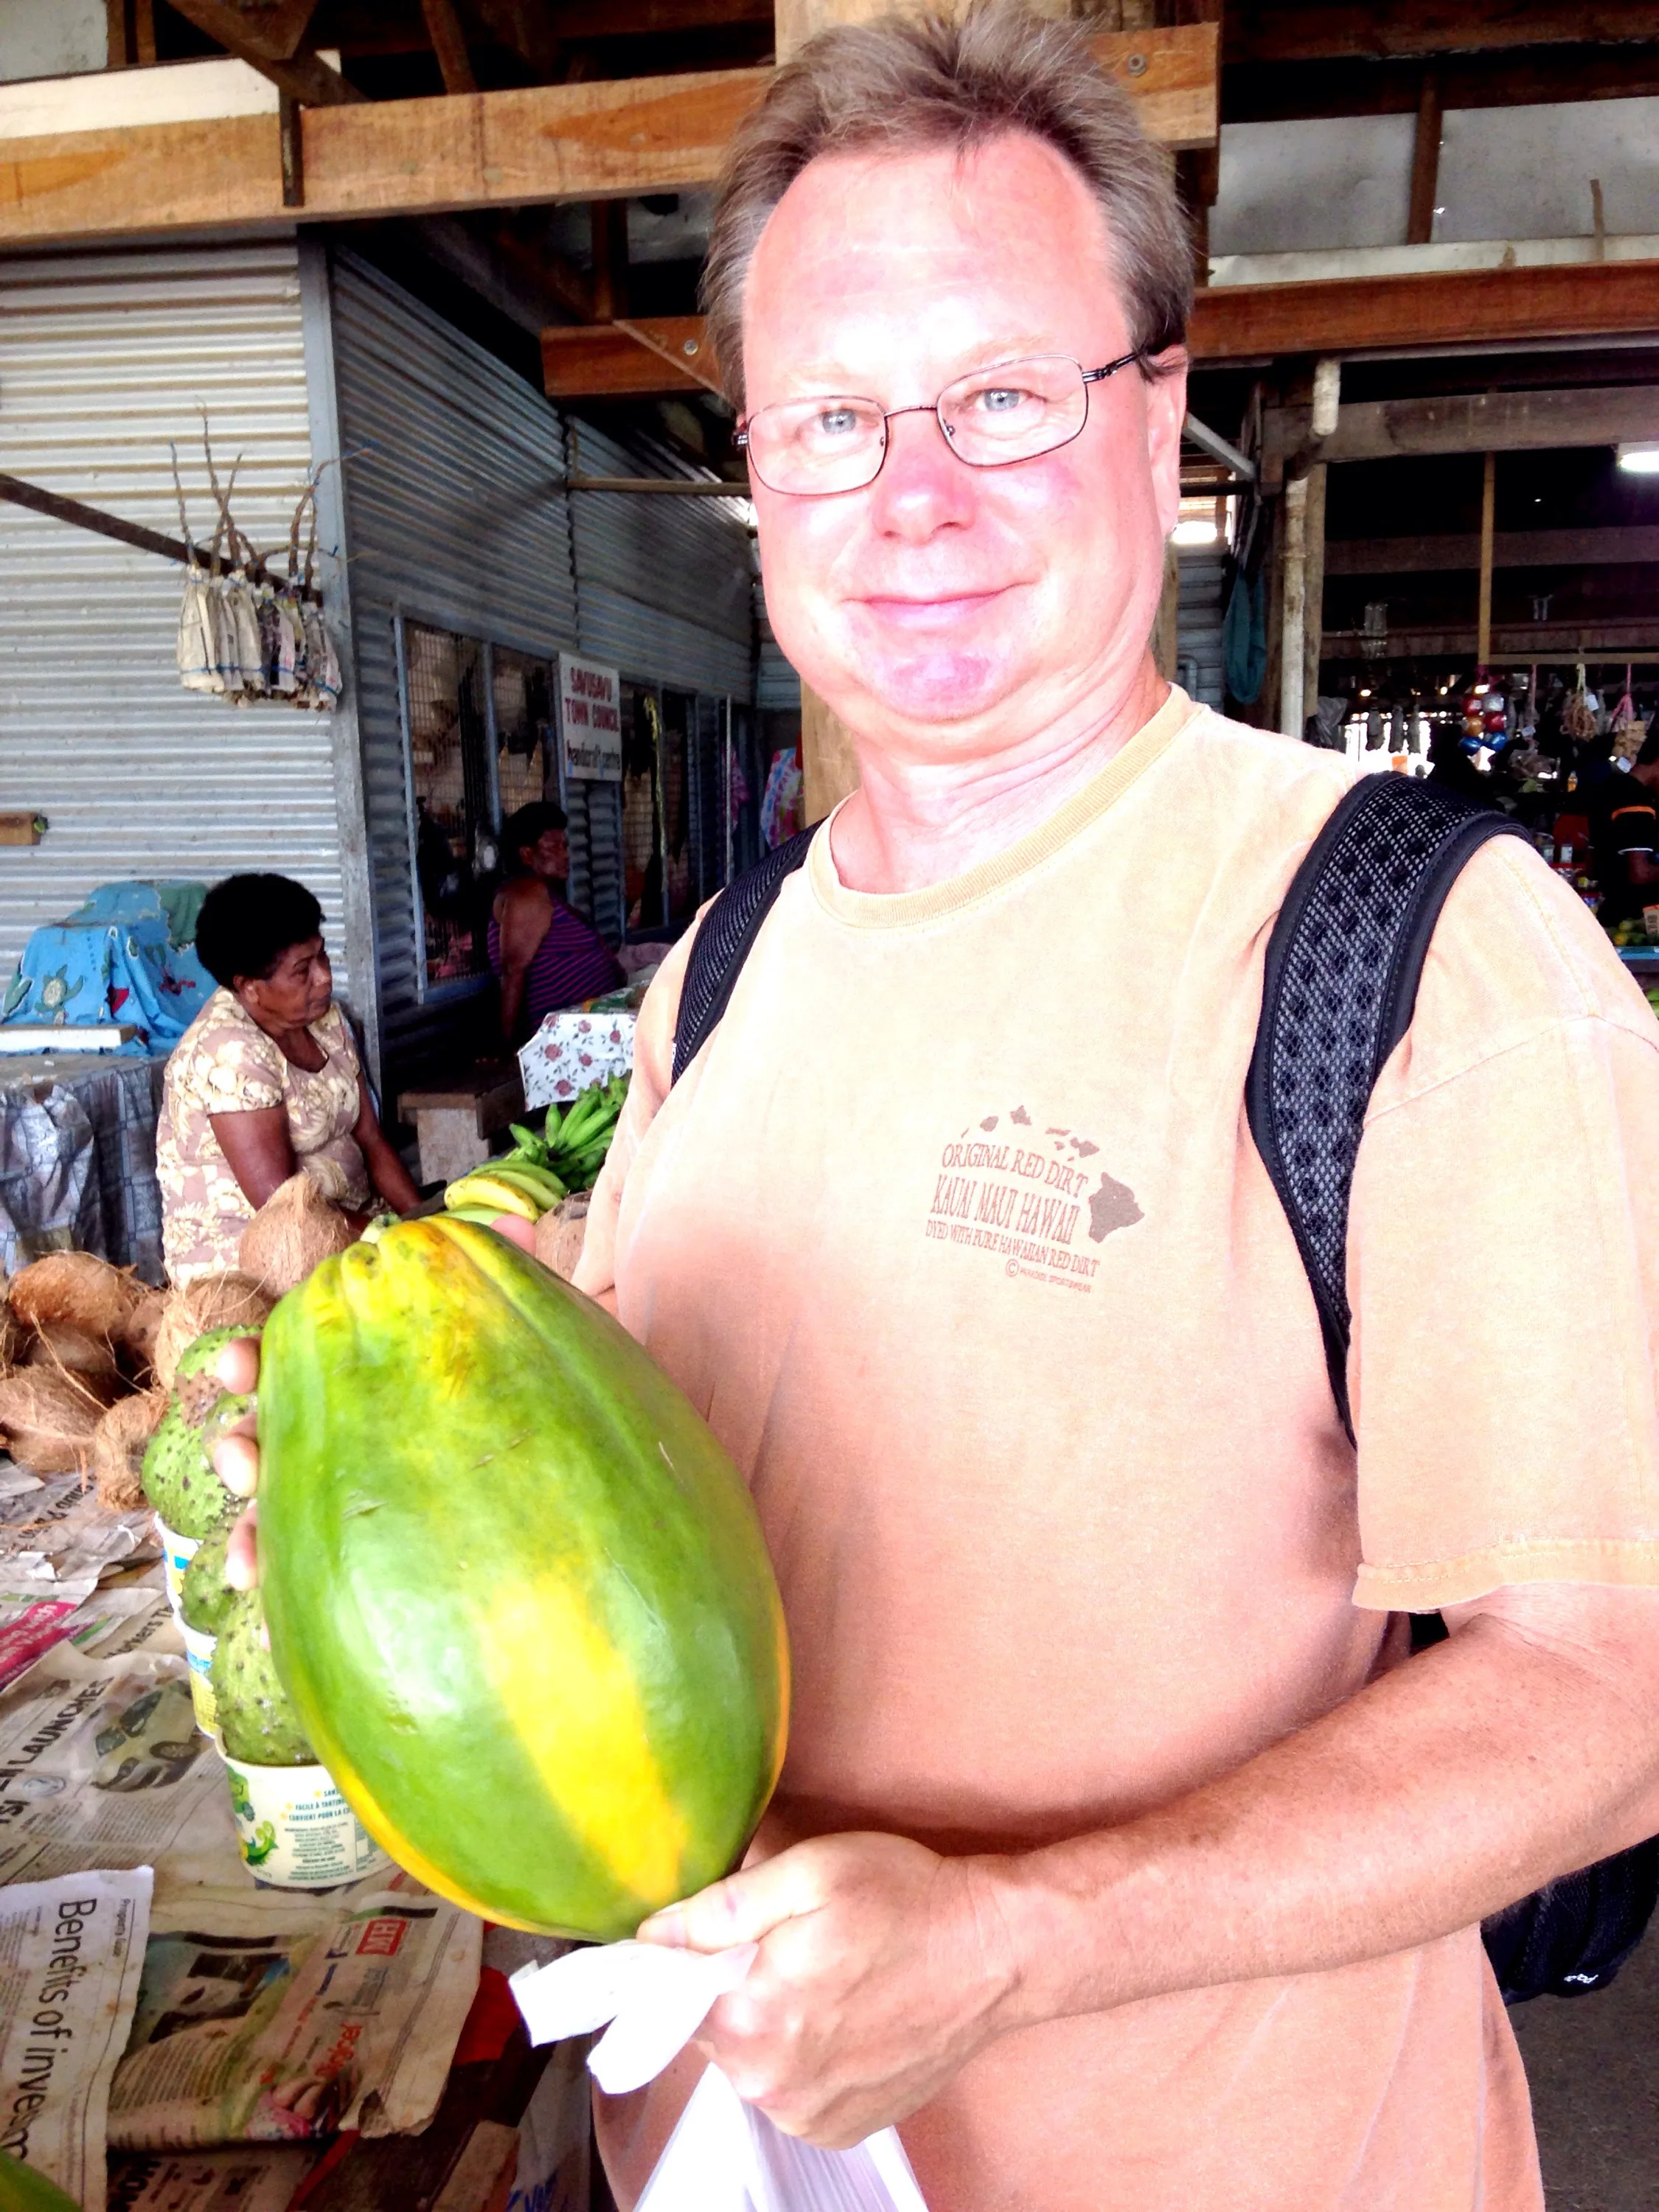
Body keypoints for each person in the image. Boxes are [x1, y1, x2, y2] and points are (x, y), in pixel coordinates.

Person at [217, 11, 1659, 2208]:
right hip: (719, 2155)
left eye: (1004, 394)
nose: (916, 499)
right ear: (759, 469)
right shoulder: (733, 956)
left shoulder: (1425, 952)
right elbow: (643, 1450)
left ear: (1159, 411)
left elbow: (1610, 1683)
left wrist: (1021, 1933)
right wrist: (366, 1476)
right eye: (833, 416)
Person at [157, 873, 419, 1282]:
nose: (325, 977)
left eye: (322, 955)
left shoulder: (326, 1019)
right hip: (256, 1264)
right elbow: (282, 1206)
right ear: (250, 988)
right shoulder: (228, 1051)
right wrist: (395, 1246)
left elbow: (371, 1140)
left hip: (356, 1229)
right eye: (302, 970)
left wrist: (420, 1222)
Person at [489, 802, 625, 1046]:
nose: (566, 855)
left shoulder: (545, 894)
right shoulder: (527, 893)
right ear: (527, 854)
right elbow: (513, 973)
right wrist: (507, 1045)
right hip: (563, 1039)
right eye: (554, 848)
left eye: (565, 846)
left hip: (590, 1026)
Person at [1591, 730, 1659, 926]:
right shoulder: (1635, 799)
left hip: (1613, 910)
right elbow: (1640, 873)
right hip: (1634, 915)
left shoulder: (1614, 787)